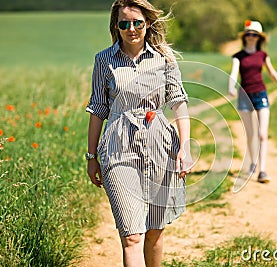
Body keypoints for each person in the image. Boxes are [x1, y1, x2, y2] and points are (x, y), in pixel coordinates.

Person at [85, 0, 192, 266]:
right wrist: (91, 155)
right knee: (132, 236)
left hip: (160, 146)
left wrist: (185, 147)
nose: (131, 29)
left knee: (154, 232)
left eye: (137, 23)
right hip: (118, 148)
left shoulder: (164, 59)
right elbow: (98, 109)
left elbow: (178, 101)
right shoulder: (103, 60)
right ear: (116, 26)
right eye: (124, 23)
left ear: (147, 24)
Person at [228, 20, 277, 183]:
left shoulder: (262, 55)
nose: (251, 37)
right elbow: (233, 73)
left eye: (254, 35)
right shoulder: (238, 56)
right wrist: (231, 87)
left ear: (259, 38)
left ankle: (262, 170)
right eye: (248, 34)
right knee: (250, 136)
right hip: (244, 97)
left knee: (262, 134)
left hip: (261, 94)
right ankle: (253, 162)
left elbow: (272, 73)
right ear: (245, 37)